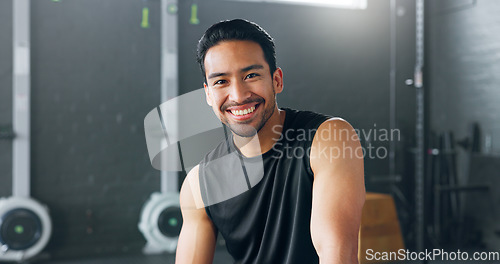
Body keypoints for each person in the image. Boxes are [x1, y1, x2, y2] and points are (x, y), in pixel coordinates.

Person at [175, 19, 365, 264]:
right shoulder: (199, 185)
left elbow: (338, 255)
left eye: (251, 75)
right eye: (221, 81)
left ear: (276, 80)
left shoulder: (328, 138)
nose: (239, 96)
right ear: (208, 95)